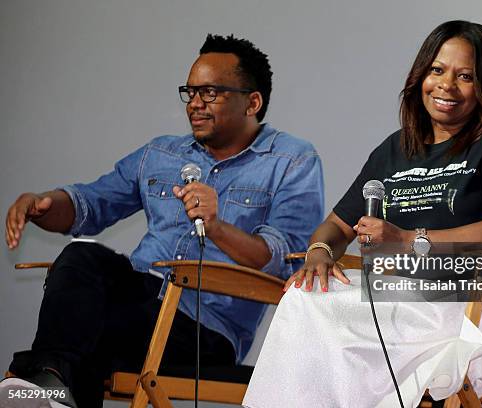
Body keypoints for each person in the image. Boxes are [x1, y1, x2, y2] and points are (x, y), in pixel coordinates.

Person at [1, 34, 324, 407]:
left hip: (204, 329)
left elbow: (281, 262)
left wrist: (216, 227)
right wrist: (44, 204)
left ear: (252, 102)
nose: (196, 104)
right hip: (137, 305)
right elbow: (89, 204)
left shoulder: (291, 161)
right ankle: (52, 388)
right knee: (80, 261)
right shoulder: (160, 153)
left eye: (211, 92)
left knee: (77, 337)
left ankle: (42, 382)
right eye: (190, 92)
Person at [243, 21, 482, 408]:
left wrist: (408, 240)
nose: (446, 85)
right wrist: (320, 252)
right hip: (408, 301)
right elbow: (338, 225)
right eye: (437, 70)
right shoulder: (395, 150)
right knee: (307, 297)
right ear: (420, 75)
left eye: (466, 76)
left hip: (479, 306)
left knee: (334, 327)